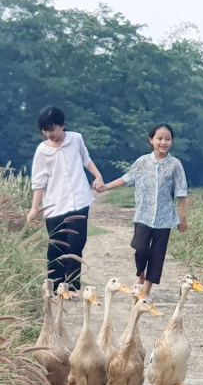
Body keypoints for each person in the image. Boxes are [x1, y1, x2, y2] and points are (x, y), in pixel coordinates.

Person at [100, 123, 188, 297]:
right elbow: (127, 178)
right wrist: (106, 187)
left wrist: (182, 220)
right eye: (159, 138)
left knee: (157, 255)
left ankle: (146, 291)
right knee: (140, 249)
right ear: (151, 140)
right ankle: (140, 275)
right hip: (143, 216)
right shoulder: (142, 162)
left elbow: (181, 193)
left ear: (171, 141)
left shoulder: (175, 165)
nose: (163, 142)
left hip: (164, 219)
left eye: (167, 139)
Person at [27, 106, 104, 296]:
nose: (49, 134)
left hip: (79, 200)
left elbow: (86, 160)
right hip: (55, 204)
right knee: (56, 245)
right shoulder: (42, 151)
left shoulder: (76, 139)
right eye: (45, 130)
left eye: (52, 129)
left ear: (62, 125)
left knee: (76, 244)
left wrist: (98, 176)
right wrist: (34, 207)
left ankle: (71, 286)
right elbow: (39, 180)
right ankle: (54, 284)